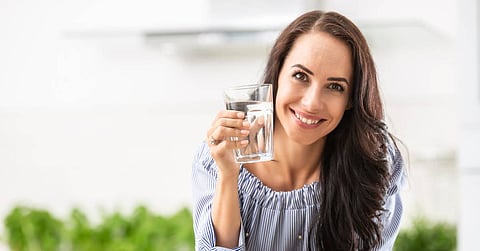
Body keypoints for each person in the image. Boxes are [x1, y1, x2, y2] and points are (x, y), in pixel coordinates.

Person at [192, 10, 406, 251]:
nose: (312, 103)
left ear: (351, 99)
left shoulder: (375, 163)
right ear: (278, 74)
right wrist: (228, 175)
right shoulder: (218, 154)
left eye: (335, 86)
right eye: (300, 76)